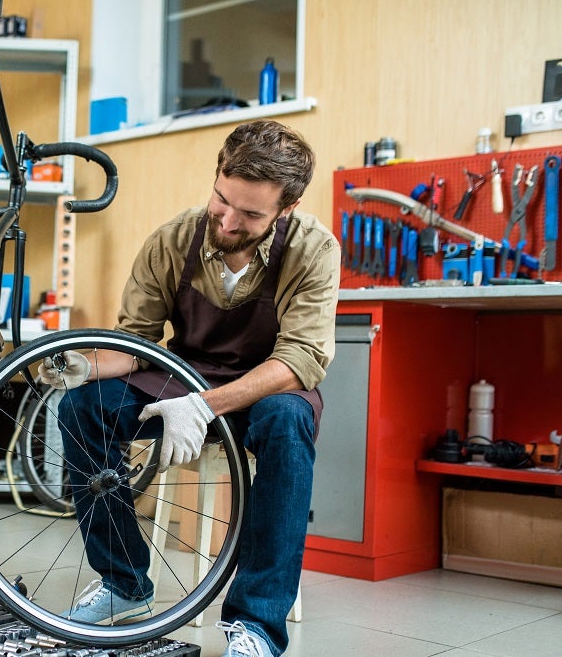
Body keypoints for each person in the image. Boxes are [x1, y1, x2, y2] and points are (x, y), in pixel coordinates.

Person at [38, 120, 340, 657]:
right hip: (181, 373)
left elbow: (300, 360)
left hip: (266, 385)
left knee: (289, 423)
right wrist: (78, 366)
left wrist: (202, 407)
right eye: (222, 200)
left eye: (250, 214)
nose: (227, 220)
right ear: (217, 176)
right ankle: (123, 583)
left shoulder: (314, 251)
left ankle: (257, 624)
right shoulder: (173, 240)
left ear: (285, 209)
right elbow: (134, 344)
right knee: (84, 407)